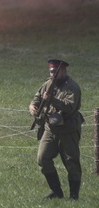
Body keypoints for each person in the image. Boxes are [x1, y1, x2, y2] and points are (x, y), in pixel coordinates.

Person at [28, 59, 84, 200]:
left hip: (68, 130)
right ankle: (56, 191)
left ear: (64, 71)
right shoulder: (47, 84)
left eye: (56, 71)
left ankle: (74, 196)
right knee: (42, 158)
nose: (53, 74)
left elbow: (69, 107)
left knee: (72, 163)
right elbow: (37, 98)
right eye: (51, 71)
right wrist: (33, 107)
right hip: (50, 129)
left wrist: (51, 99)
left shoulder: (73, 87)